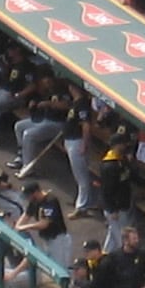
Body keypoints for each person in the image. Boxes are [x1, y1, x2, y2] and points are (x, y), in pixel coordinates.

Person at [15, 182, 72, 269]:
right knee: (51, 267)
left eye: (28, 195)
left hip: (58, 240)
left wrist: (25, 227)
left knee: (62, 268)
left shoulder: (50, 201)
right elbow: (24, 218)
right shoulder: (34, 202)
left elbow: (44, 224)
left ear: (36, 192)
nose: (27, 198)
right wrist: (18, 227)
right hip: (46, 240)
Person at [62, 84, 94, 218]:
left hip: (77, 142)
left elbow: (86, 125)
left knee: (82, 177)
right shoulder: (76, 103)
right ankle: (86, 202)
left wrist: (84, 144)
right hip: (71, 141)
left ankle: (82, 207)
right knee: (79, 175)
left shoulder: (82, 104)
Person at [99, 133, 134, 253]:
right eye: (123, 144)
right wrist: (111, 209)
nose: (125, 146)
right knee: (122, 240)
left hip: (123, 204)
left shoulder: (121, 159)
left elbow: (130, 175)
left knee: (113, 235)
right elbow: (106, 190)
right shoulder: (109, 165)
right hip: (115, 208)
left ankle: (105, 255)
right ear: (117, 145)